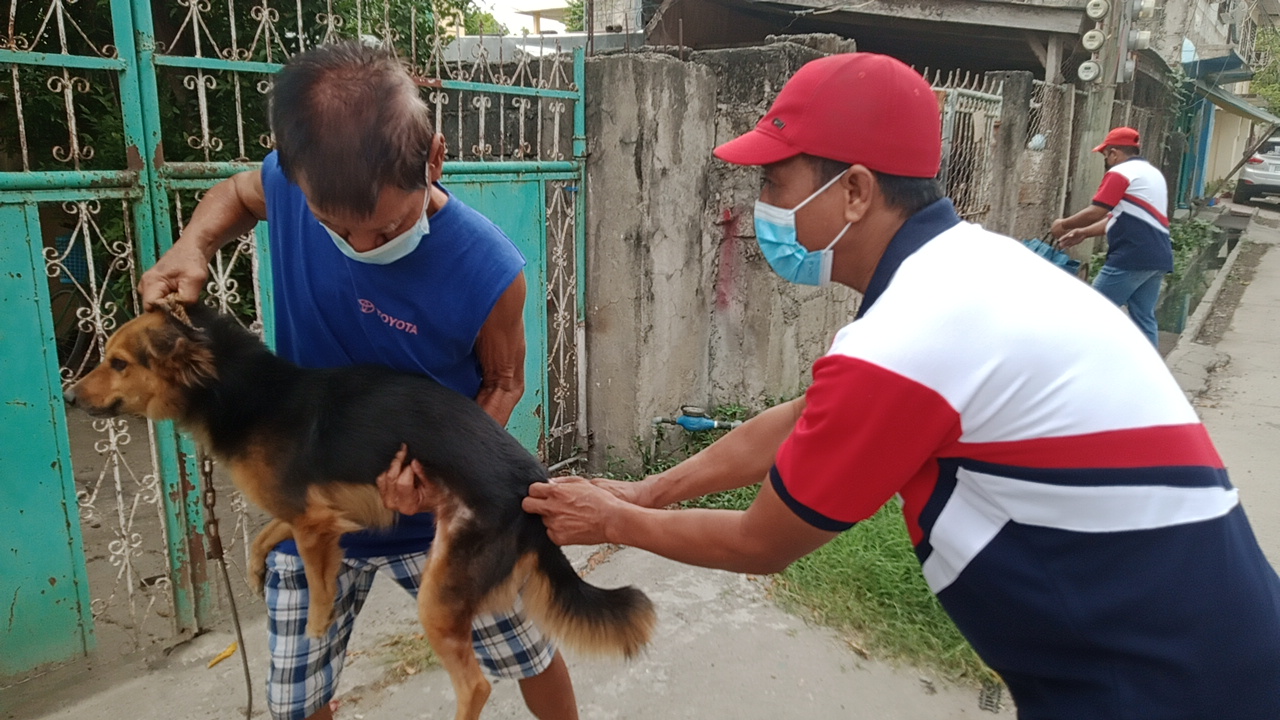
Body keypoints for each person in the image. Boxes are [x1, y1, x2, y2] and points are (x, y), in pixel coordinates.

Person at [453, 54, 1274, 717]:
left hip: (1153, 682)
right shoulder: (968, 269)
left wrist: (616, 520)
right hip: (1191, 642)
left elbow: (763, 543)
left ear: (853, 189)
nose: (761, 204)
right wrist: (652, 489)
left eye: (775, 183)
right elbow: (798, 421)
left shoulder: (911, 333)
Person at [138, 41, 579, 720]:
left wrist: (437, 478)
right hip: (309, 499)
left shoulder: (488, 268)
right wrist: (192, 244)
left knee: (527, 654)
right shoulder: (288, 186)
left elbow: (504, 382)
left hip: (440, 517)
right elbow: (236, 193)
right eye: (336, 228)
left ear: (433, 157)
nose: (363, 247)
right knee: (297, 697)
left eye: (386, 226)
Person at [1051, 127, 1172, 348]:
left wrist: (1064, 225)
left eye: (1105, 155)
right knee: (1143, 319)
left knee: (1093, 314)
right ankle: (1148, 375)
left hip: (1131, 256)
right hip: (1158, 257)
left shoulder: (1120, 173)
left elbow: (1097, 211)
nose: (1106, 161)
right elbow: (1118, 217)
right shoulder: (1152, 174)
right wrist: (1083, 232)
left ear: (1114, 153)